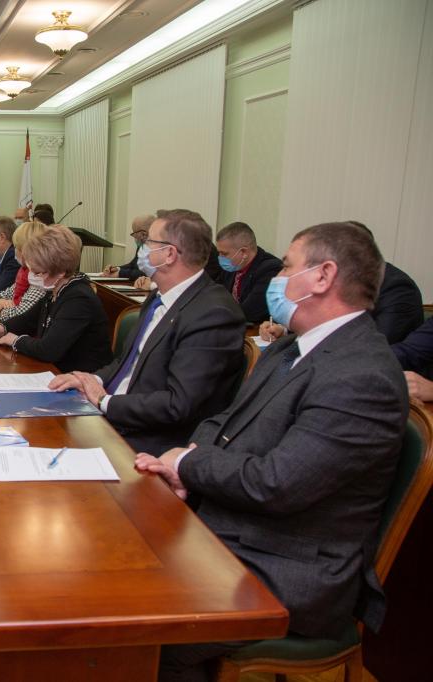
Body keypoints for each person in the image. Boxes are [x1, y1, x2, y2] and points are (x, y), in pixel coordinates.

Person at [134, 222, 409, 682]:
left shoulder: (361, 375)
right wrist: (185, 462)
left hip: (288, 566)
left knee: (138, 627)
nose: (277, 278)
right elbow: (223, 421)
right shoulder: (290, 347)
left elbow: (277, 483)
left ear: (323, 276)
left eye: (285, 266)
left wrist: (188, 463)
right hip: (236, 529)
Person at [49, 209, 245, 455]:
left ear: (169, 254)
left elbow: (177, 404)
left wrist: (104, 401)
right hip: (114, 418)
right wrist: (90, 381)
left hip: (150, 441)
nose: (142, 248)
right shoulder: (159, 297)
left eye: (149, 242)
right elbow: (126, 363)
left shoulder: (214, 313)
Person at [259, 220, 424, 345]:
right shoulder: (340, 278)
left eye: (287, 267)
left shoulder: (398, 287)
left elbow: (372, 343)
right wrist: (285, 330)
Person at [0, 226, 112, 374]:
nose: (32, 276)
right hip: (58, 371)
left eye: (38, 272)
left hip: (82, 377)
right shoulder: (55, 290)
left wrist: (15, 340)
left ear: (61, 271)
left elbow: (49, 349)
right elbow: (27, 320)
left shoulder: (79, 298)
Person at [214, 221, 282, 324]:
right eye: (219, 252)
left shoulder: (270, 270)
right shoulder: (232, 266)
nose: (220, 257)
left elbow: (248, 312)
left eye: (224, 253)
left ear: (244, 252)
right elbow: (214, 294)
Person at [0, 221, 49, 322]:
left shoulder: (40, 279)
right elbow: (0, 295)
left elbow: (21, 314)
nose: (14, 250)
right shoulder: (24, 273)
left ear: (26, 250)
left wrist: (1, 311)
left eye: (16, 247)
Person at [103, 214, 154, 279]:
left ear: (144, 234)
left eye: (134, 234)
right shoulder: (143, 245)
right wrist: (117, 269)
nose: (134, 237)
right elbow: (133, 265)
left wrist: (121, 273)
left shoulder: (159, 248)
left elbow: (146, 273)